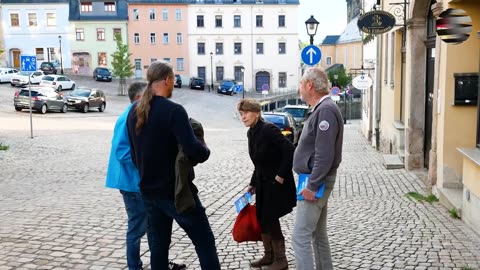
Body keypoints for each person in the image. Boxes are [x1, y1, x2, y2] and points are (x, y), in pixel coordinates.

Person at [126, 61, 220, 270]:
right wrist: (204, 148)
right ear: (167, 80)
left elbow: (134, 154)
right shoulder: (174, 111)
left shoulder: (133, 111)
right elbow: (194, 150)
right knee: (204, 242)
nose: (174, 84)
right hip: (176, 193)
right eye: (174, 79)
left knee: (158, 248)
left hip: (148, 192)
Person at [105, 81, 186, 270]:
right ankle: (134, 266)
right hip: (131, 184)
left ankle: (160, 263)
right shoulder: (128, 117)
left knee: (154, 227)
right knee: (137, 228)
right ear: (139, 98)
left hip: (139, 183)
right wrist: (147, 164)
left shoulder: (139, 115)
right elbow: (121, 151)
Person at [292, 67, 344, 270]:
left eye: (300, 83)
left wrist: (312, 186)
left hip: (316, 182)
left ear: (309, 85)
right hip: (315, 179)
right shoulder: (323, 109)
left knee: (300, 236)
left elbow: (324, 155)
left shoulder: (325, 111)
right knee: (317, 234)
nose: (299, 87)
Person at [237, 98, 296, 270]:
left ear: (256, 112)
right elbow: (259, 163)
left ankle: (281, 259)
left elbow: (289, 150)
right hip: (263, 183)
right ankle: (268, 256)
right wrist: (252, 183)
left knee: (271, 219)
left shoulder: (268, 129)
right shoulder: (251, 133)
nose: (243, 117)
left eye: (246, 113)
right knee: (262, 218)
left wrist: (280, 175)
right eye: (241, 114)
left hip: (276, 183)